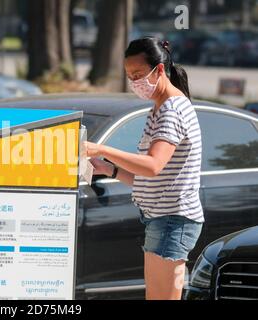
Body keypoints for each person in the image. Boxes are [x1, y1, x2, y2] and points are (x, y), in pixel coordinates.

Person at [84, 37, 204, 300]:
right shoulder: (160, 108)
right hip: (161, 219)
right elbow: (151, 178)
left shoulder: (171, 110)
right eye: (129, 75)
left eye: (138, 74)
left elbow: (152, 166)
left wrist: (102, 149)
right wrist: (110, 170)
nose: (134, 82)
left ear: (159, 70)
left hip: (173, 220)